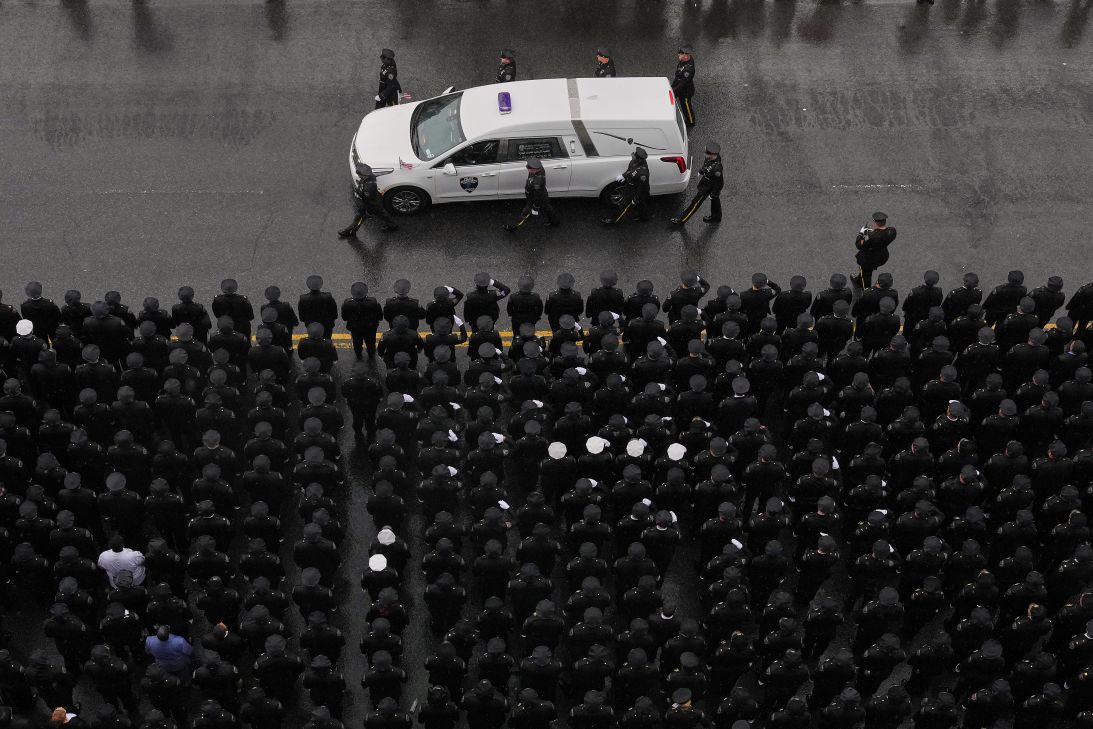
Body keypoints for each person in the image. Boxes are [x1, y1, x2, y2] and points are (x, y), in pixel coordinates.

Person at [339, 162, 399, 237]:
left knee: (360, 217)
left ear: (364, 176)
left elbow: (369, 200)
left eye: (360, 175)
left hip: (370, 204)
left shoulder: (368, 189)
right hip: (376, 200)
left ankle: (349, 231)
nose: (359, 176)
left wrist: (368, 211)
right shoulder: (371, 176)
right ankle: (393, 226)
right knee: (382, 214)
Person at [671, 142, 723, 225]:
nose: (704, 154)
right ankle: (716, 217)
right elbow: (706, 165)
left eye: (706, 153)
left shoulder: (717, 169)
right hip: (706, 181)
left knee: (695, 203)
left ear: (713, 155)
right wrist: (702, 171)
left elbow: (719, 183)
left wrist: (714, 193)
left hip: (709, 186)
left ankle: (682, 220)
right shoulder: (710, 158)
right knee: (715, 201)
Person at [503, 158, 558, 231]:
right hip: (543, 194)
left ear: (535, 169)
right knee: (548, 208)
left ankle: (513, 227)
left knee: (525, 212)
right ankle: (555, 222)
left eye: (529, 168)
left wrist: (535, 207)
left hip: (534, 197)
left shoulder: (538, 181)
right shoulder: (539, 169)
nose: (527, 169)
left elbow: (537, 196)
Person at [602, 148, 651, 225]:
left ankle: (614, 220)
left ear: (638, 159)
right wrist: (623, 176)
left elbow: (642, 187)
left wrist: (636, 198)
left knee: (625, 205)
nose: (632, 155)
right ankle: (644, 217)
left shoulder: (643, 172)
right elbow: (630, 170)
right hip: (630, 187)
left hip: (639, 191)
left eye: (634, 155)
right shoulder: (633, 162)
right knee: (641, 205)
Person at [853, 212, 897, 290]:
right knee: (864, 271)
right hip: (882, 256)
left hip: (868, 259)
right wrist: (874, 230)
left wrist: (862, 232)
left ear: (875, 222)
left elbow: (859, 244)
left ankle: (866, 290)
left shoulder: (870, 236)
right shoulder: (892, 231)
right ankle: (859, 280)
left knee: (867, 274)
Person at [672, 45, 696, 127]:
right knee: (683, 105)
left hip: (686, 92)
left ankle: (691, 121)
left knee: (686, 107)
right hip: (681, 88)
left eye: (680, 55)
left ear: (685, 56)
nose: (678, 56)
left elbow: (683, 83)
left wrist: (674, 92)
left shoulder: (688, 70)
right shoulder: (685, 60)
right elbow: (678, 76)